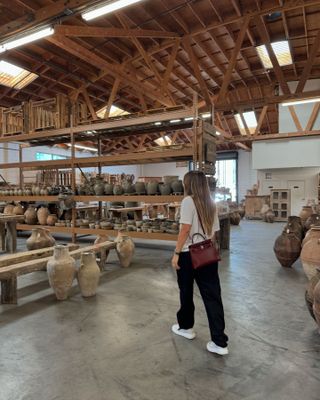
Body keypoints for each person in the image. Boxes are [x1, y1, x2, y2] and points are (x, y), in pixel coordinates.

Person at [171, 170, 229, 355]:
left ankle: (186, 327)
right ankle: (219, 342)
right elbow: (213, 233)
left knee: (186, 292)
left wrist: (176, 252)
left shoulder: (188, 201)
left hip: (188, 254)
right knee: (213, 297)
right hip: (207, 255)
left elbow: (185, 229)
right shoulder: (211, 203)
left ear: (189, 184)